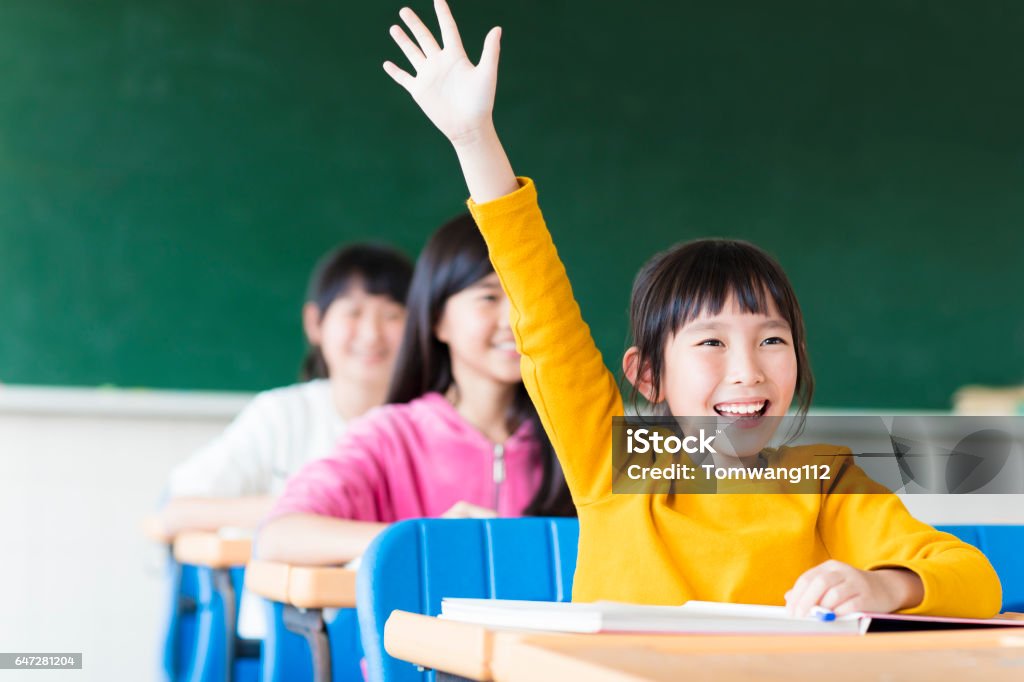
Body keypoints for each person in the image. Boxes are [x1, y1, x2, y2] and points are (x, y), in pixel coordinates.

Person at [380, 0, 1001, 618]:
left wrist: (886, 586)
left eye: (771, 340)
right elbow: (541, 308)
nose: (747, 371)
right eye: (711, 343)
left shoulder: (825, 480)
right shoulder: (609, 457)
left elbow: (973, 579)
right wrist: (473, 138)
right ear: (647, 374)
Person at [257, 213, 574, 565]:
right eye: (489, 297)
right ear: (438, 319)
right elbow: (278, 536)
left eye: (530, 298)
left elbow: (649, 492)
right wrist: (422, 537)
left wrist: (648, 406)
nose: (516, 319)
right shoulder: (388, 434)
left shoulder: (583, 426)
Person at [158, 243, 412, 535]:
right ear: (315, 323)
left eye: (392, 315)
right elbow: (175, 513)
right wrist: (305, 507)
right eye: (353, 312)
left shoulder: (431, 423)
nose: (371, 334)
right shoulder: (282, 415)